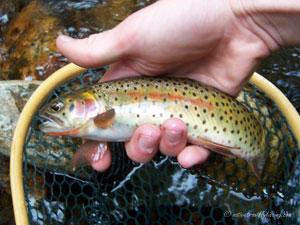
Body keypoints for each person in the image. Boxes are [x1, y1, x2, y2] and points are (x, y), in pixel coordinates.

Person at [56, 0, 300, 171]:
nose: (54, 113)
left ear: (87, 102)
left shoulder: (101, 115)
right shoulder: (96, 121)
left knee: (247, 149)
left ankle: (255, 151)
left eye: (58, 108)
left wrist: (238, 15)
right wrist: (239, 14)